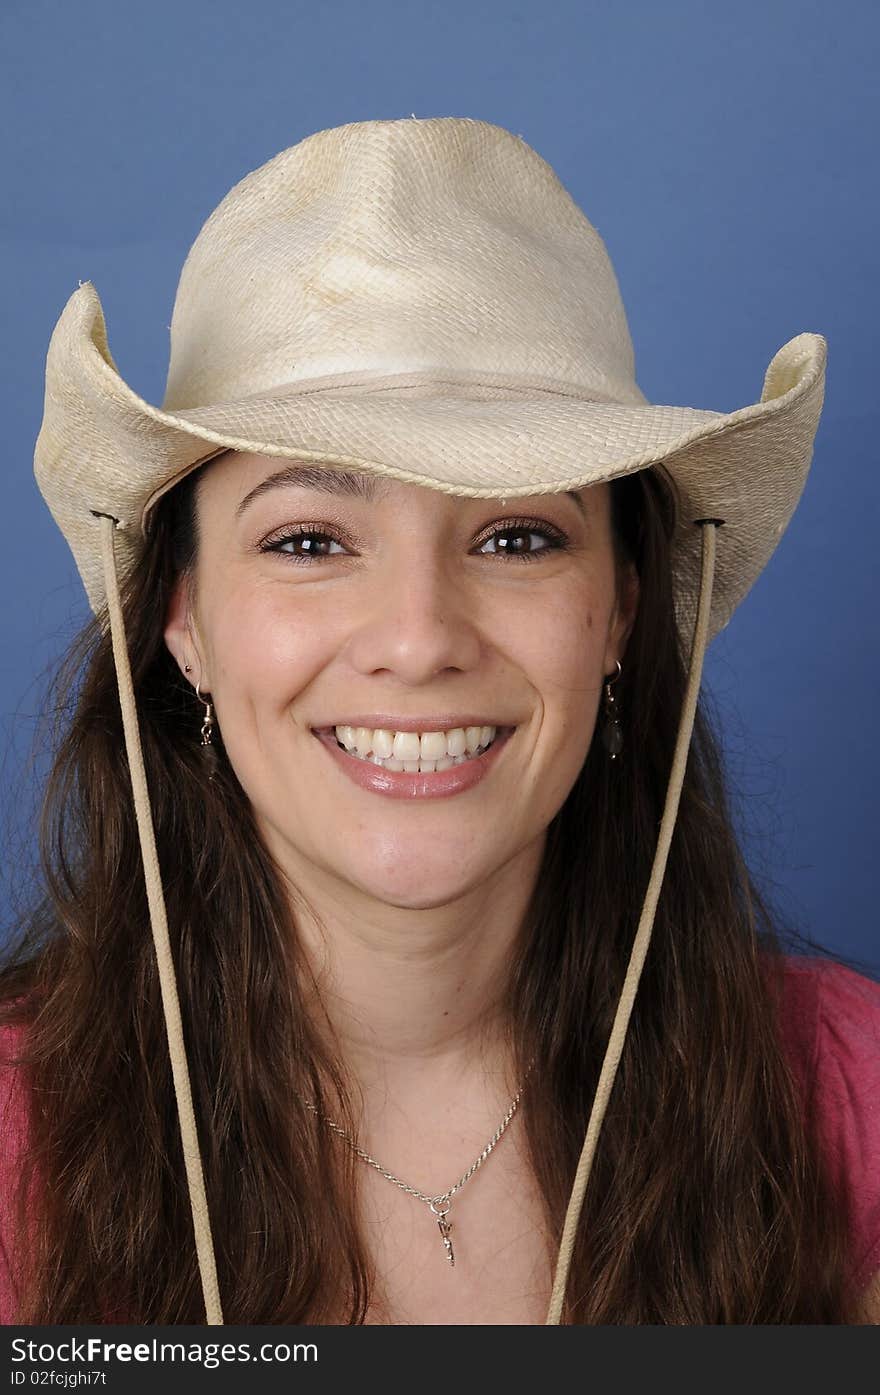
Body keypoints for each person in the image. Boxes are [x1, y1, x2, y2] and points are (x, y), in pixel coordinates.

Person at [1, 116, 878, 1326]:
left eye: (516, 537)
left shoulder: (850, 1100)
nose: (418, 640)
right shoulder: (13, 1142)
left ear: (619, 614)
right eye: (309, 541)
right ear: (184, 622)